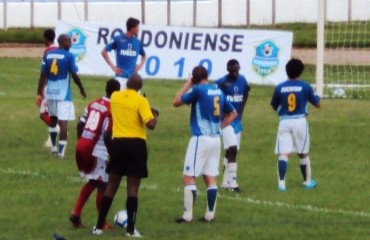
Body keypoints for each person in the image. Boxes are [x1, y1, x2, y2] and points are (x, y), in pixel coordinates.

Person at [92, 73, 158, 238]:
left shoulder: (115, 96)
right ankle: (130, 230)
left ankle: (98, 226)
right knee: (133, 188)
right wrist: (154, 113)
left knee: (111, 186)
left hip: (118, 144)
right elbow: (150, 124)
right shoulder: (141, 100)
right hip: (136, 145)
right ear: (140, 87)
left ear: (126, 84)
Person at [173, 66, 237, 223]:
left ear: (194, 78)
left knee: (188, 177)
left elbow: (176, 102)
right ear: (207, 76)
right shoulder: (218, 90)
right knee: (210, 178)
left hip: (200, 138)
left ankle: (187, 215)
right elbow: (233, 113)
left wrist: (188, 84)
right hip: (216, 139)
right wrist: (220, 128)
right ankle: (210, 215)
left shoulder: (198, 90)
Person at [69, 79, 120, 229]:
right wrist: (111, 154)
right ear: (116, 93)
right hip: (98, 150)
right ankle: (102, 223)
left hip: (83, 146)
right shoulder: (112, 108)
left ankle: (76, 214)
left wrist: (82, 142)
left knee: (93, 182)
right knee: (103, 185)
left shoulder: (93, 103)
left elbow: (80, 124)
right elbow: (106, 134)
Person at [270, 58, 320, 192]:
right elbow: (317, 104)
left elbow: (274, 105)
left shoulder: (280, 87)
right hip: (300, 121)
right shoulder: (305, 86)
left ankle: (281, 184)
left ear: (286, 71)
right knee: (303, 152)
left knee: (284, 154)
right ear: (301, 71)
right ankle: (307, 181)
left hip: (285, 121)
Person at [36, 34, 87, 159]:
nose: (70, 43)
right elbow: (74, 75)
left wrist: (39, 92)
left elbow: (43, 75)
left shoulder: (48, 55)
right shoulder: (69, 56)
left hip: (50, 93)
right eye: (68, 41)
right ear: (63, 42)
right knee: (63, 121)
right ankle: (61, 153)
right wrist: (81, 88)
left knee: (53, 119)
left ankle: (53, 148)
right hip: (64, 94)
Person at [215, 59, 250, 192]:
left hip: (237, 120)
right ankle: (233, 182)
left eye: (237, 70)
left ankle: (225, 182)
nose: (235, 73)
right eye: (232, 71)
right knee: (233, 148)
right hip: (226, 120)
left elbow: (246, 92)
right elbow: (214, 98)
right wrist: (222, 114)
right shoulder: (221, 82)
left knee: (231, 150)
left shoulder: (242, 80)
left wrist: (241, 110)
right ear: (228, 70)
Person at [101, 17, 147, 90]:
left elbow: (144, 56)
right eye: (137, 27)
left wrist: (140, 65)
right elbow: (104, 52)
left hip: (133, 79)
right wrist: (113, 67)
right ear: (132, 28)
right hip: (120, 77)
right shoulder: (118, 39)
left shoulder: (137, 42)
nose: (138, 29)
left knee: (134, 101)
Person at [36, 28, 59, 148]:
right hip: (60, 86)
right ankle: (51, 140)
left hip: (49, 85)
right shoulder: (60, 50)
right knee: (54, 113)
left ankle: (56, 129)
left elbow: (43, 73)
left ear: (46, 39)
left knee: (43, 114)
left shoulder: (48, 52)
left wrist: (39, 92)